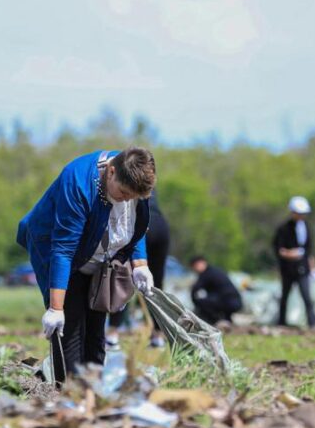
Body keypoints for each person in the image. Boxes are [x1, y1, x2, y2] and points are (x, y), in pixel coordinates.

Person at [16, 148, 157, 384]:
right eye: (123, 193)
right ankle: (69, 392)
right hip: (54, 246)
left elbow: (135, 224)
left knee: (95, 327)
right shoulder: (78, 182)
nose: (127, 199)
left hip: (97, 253)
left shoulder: (135, 176)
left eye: (133, 197)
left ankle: (93, 389)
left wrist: (140, 264)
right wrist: (55, 309)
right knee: (70, 326)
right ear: (111, 172)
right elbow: (63, 249)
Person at [107, 189, 169, 348]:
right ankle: (158, 335)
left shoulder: (126, 178)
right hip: (161, 226)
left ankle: (113, 333)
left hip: (142, 224)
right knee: (156, 283)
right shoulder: (148, 180)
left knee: (123, 279)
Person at [273, 196, 315, 328]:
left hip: (302, 267)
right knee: (285, 296)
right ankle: (281, 322)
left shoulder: (306, 227)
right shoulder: (283, 229)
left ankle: (313, 323)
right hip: (287, 269)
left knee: (307, 296)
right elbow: (278, 249)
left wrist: (313, 266)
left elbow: (309, 250)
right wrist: (289, 254)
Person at [189, 256, 242, 325]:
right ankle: (226, 320)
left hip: (229, 302)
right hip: (234, 301)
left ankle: (216, 321)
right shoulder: (215, 270)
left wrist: (195, 301)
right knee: (212, 298)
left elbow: (195, 290)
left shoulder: (207, 274)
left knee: (201, 301)